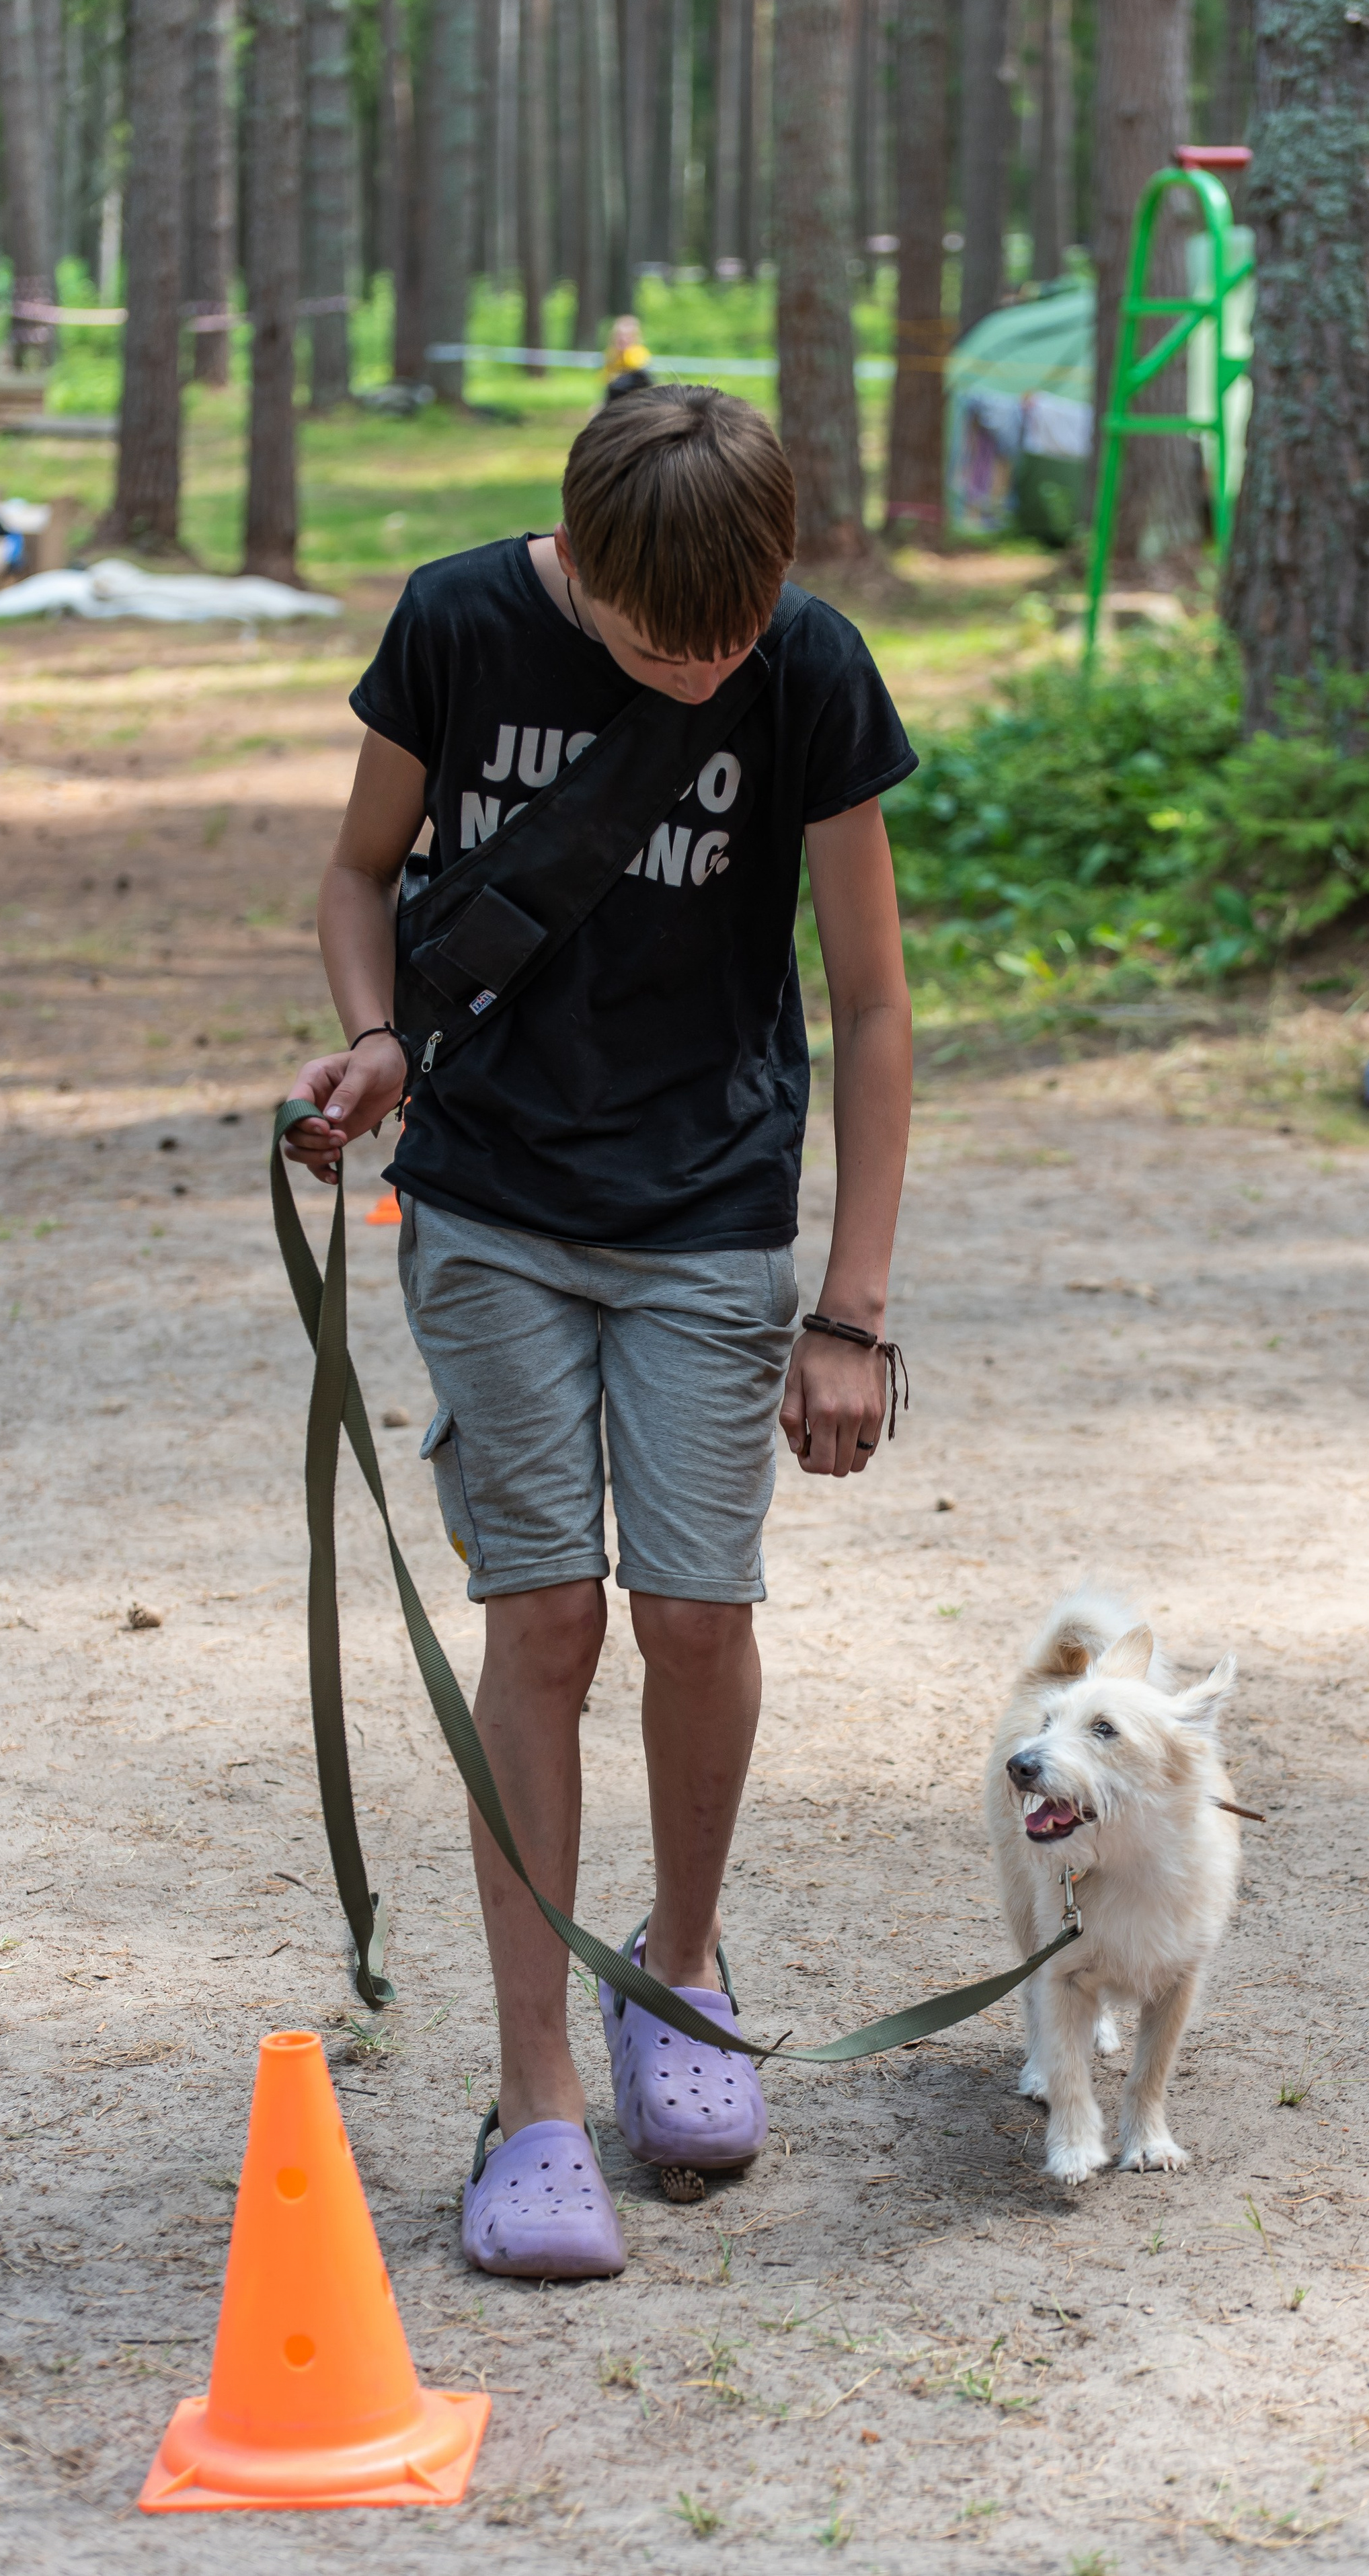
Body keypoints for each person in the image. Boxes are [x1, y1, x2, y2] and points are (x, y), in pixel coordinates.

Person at [282, 386, 915, 2281]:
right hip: (488, 1206)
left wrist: (855, 1314)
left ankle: (683, 1960)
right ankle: (539, 2085)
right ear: (586, 573)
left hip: (710, 1218)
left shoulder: (805, 666)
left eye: (735, 634)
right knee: (543, 1614)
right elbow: (356, 873)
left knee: (698, 1610)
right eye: (667, 645)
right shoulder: (462, 621)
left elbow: (875, 1006)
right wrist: (379, 1030)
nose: (709, 664)